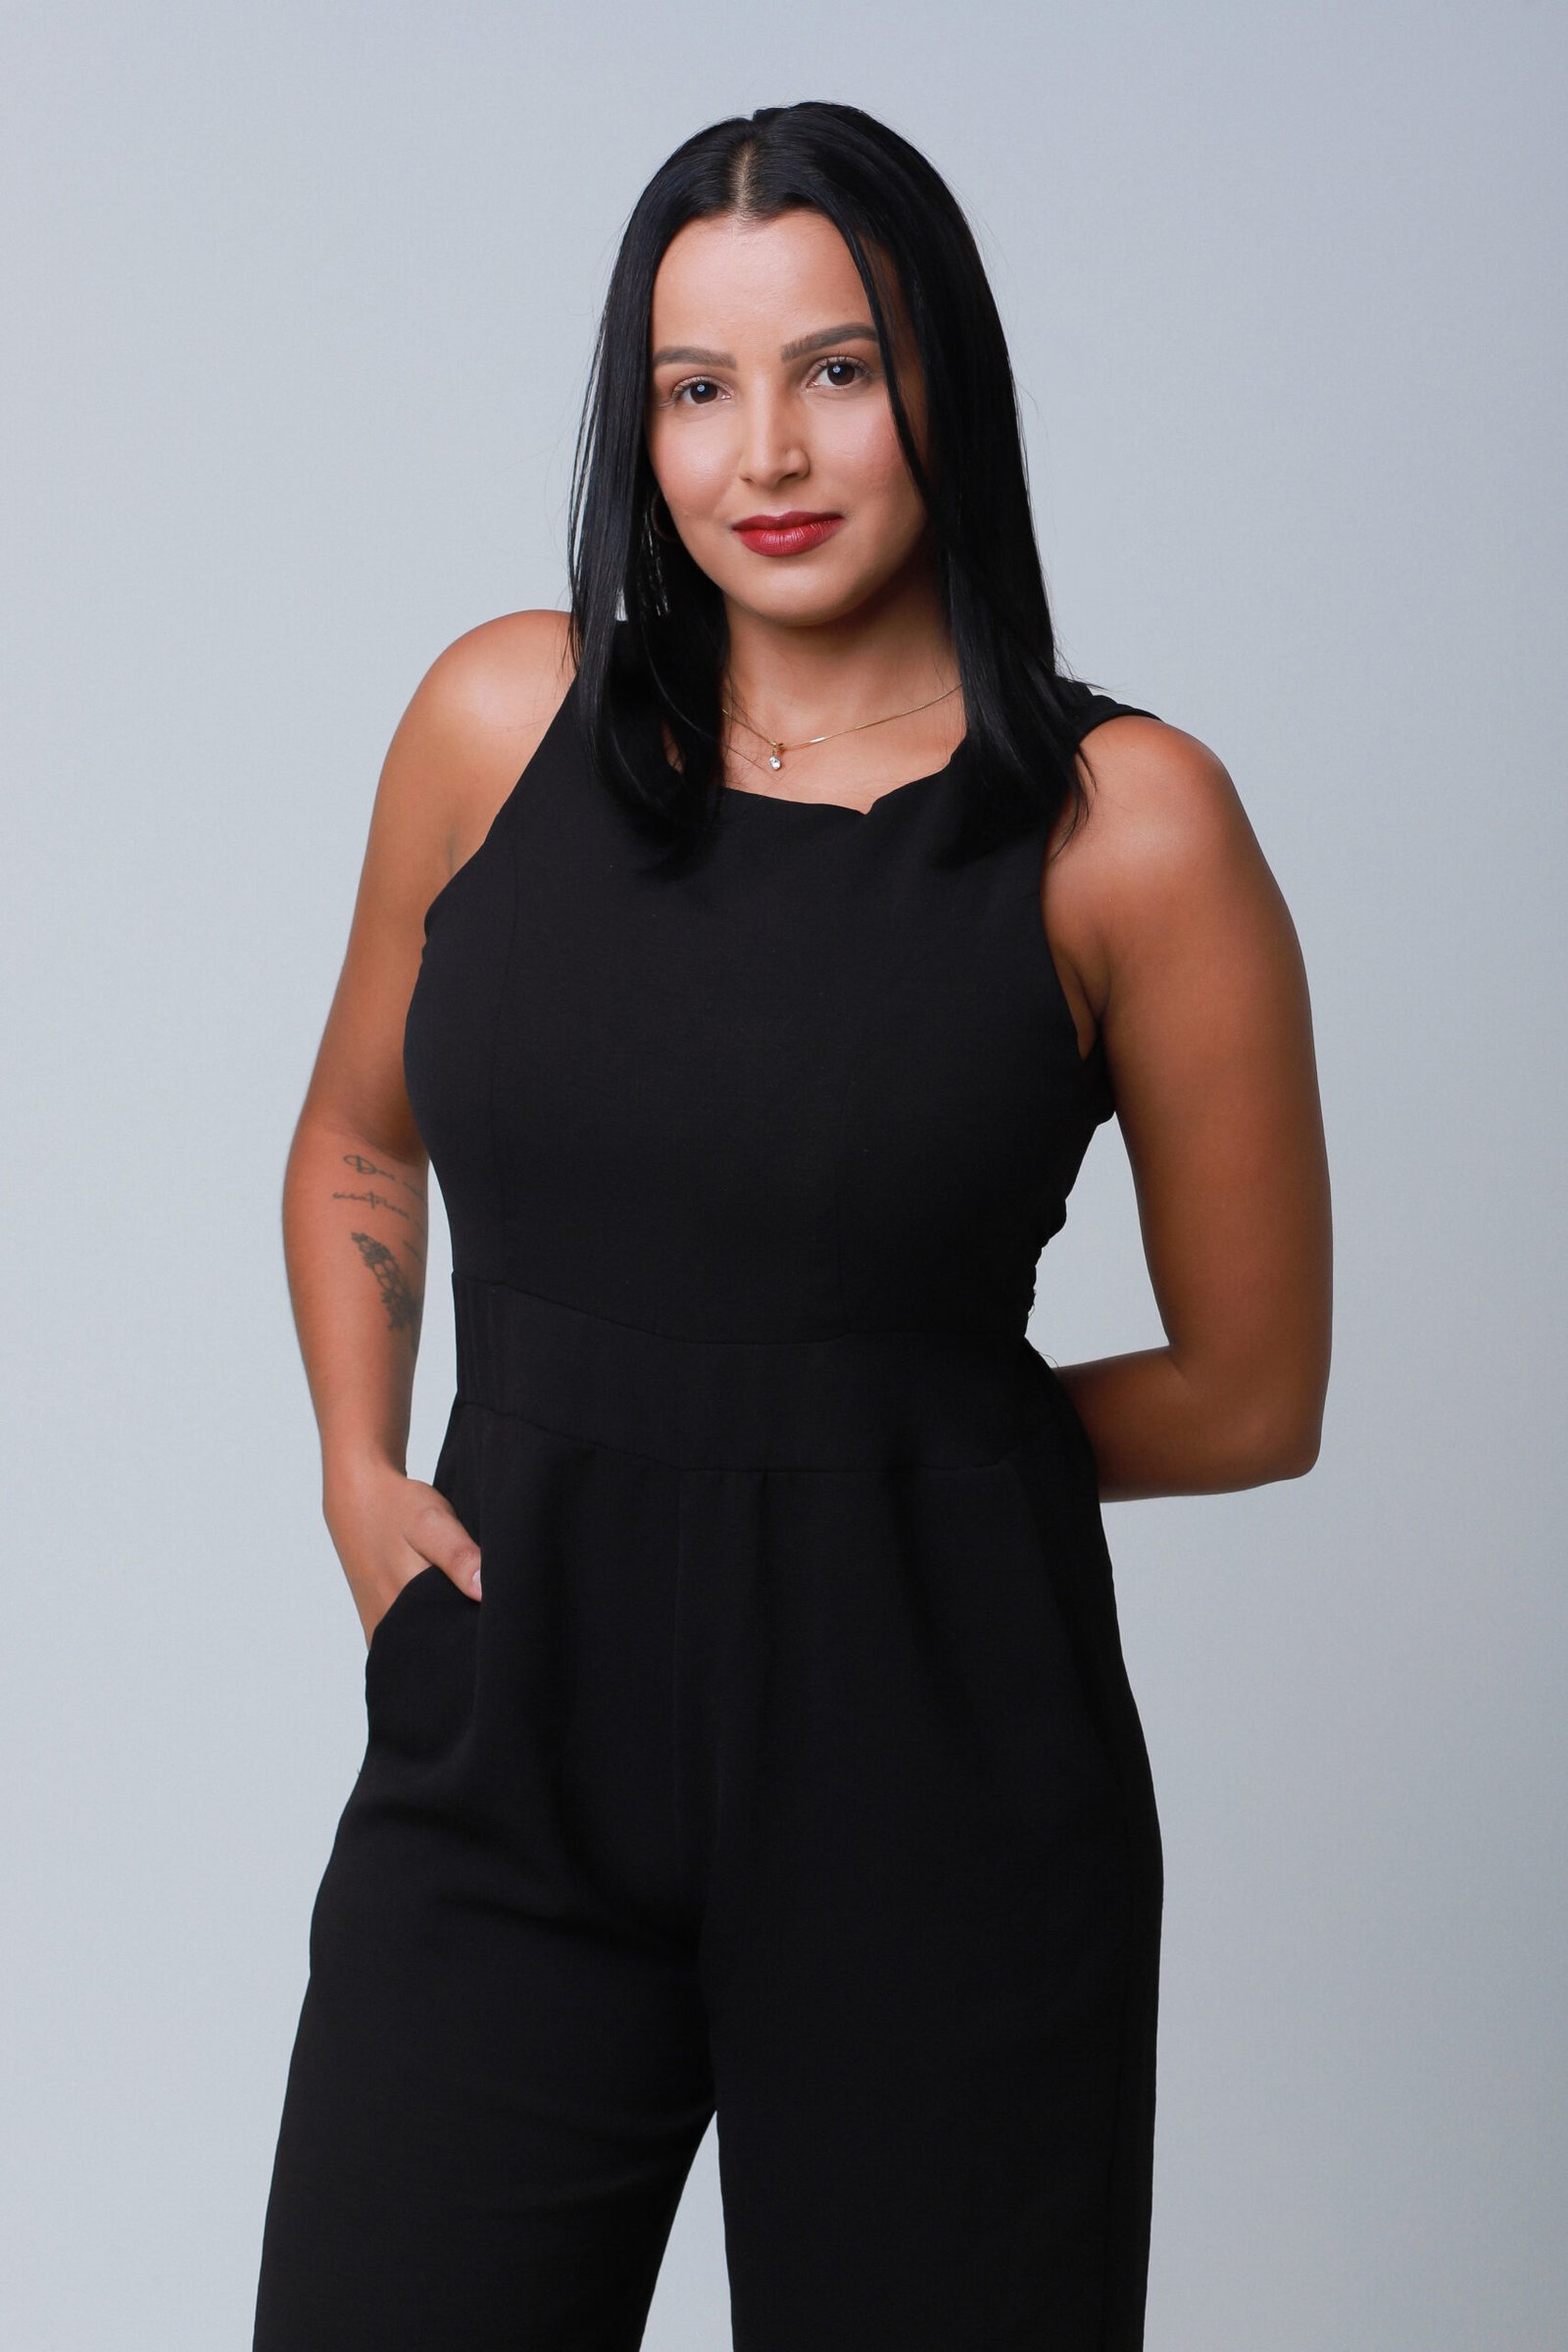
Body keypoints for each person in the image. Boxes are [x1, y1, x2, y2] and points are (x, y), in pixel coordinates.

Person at [251, 99, 1331, 2352]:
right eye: (695, 385)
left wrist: (879, 1454)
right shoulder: (497, 722)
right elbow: (357, 1136)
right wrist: (358, 1472)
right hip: (510, 1739)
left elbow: (1251, 1396)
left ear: (945, 381)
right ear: (637, 420)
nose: (764, 450)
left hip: (927, 1762)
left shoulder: (1125, 832)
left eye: (835, 368)